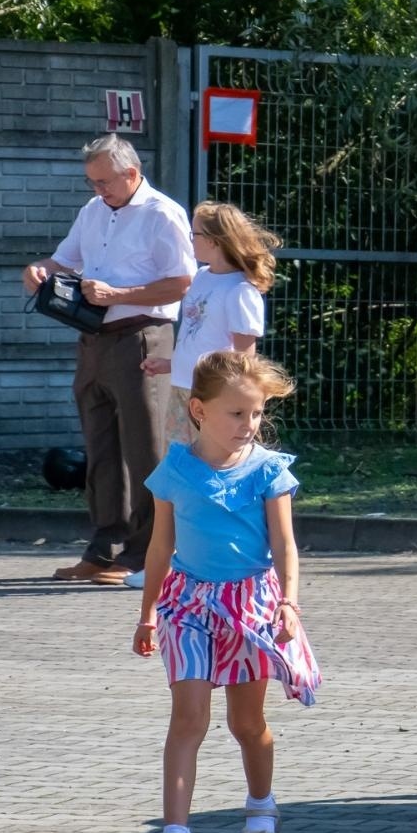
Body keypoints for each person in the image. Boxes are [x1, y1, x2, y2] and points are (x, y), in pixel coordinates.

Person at [131, 350, 320, 833]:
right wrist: (148, 613)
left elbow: (285, 545)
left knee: (247, 722)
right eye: (237, 413)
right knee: (188, 719)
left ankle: (261, 810)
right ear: (199, 410)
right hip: (187, 604)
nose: (249, 424)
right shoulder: (175, 469)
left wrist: (288, 601)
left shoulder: (268, 471)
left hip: (251, 606)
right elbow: (158, 549)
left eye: (256, 413)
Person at [23, 135, 196, 587]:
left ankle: (146, 554)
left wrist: (120, 295)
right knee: (100, 449)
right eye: (92, 182)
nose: (98, 191)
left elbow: (182, 282)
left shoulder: (163, 214)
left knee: (145, 449)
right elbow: (63, 260)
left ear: (132, 173)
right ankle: (104, 549)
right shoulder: (93, 211)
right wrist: (39, 269)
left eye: (104, 182)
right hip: (94, 338)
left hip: (143, 337)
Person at [125, 201, 279, 590]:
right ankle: (169, 562)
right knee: (180, 474)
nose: (190, 240)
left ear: (213, 240)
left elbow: (243, 359)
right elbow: (198, 338)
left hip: (212, 402)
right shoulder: (202, 277)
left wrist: (228, 408)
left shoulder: (242, 290)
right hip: (184, 392)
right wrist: (170, 364)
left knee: (208, 477)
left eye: (194, 234)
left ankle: (210, 561)